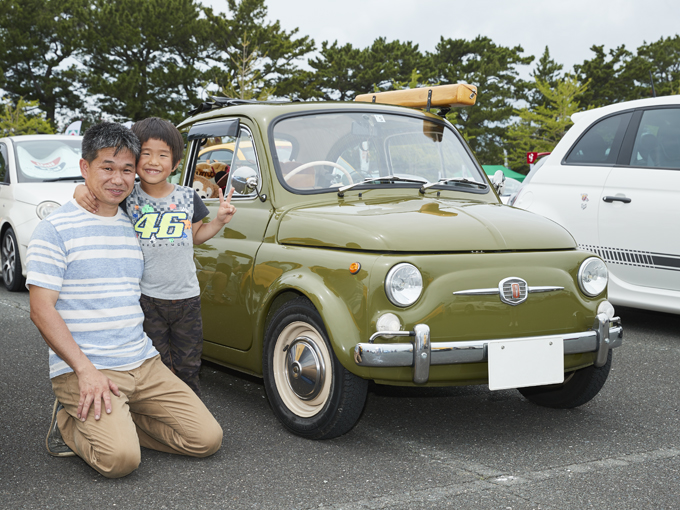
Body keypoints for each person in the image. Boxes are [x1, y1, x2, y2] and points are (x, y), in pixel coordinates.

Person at [27, 122, 223, 478]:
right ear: (84, 167)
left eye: (126, 170)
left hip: (143, 361)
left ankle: (120, 421)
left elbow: (178, 228)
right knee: (120, 461)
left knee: (207, 440)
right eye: (107, 167)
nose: (118, 179)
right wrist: (85, 371)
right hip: (88, 366)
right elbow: (40, 310)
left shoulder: (134, 221)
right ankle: (70, 422)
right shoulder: (54, 229)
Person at [74, 117, 236, 397]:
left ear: (174, 164)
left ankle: (190, 416)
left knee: (188, 364)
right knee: (155, 364)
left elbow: (195, 236)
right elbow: (94, 193)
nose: (153, 161)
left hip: (186, 298)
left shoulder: (188, 197)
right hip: (146, 299)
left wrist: (219, 221)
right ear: (135, 160)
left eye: (163, 155)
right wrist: (80, 190)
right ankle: (155, 415)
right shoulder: (127, 195)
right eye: (146, 153)